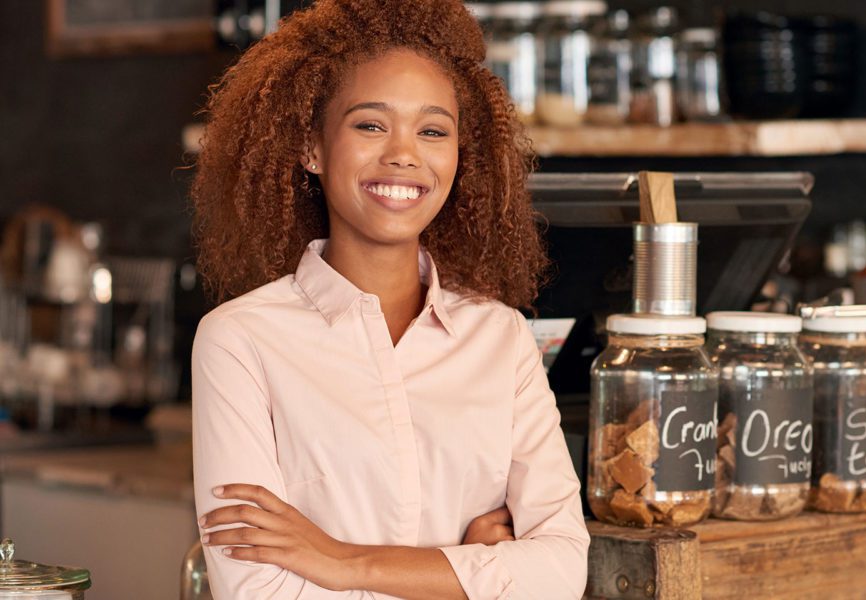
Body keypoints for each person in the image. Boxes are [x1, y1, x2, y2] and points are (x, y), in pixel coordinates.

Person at [188, 0, 589, 597]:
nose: (405, 154)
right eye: (370, 124)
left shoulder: (500, 337)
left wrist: (346, 561)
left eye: (433, 130)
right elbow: (256, 591)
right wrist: (461, 573)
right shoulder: (240, 340)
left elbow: (560, 570)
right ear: (312, 148)